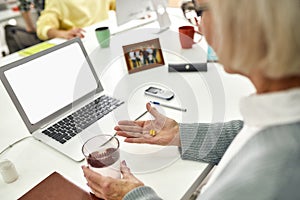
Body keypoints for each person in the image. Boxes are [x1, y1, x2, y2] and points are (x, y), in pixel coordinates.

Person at [82, 0, 300, 199]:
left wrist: (132, 196)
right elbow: (248, 133)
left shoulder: (272, 171)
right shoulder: (283, 117)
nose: (198, 28)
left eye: (199, 11)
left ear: (245, 20)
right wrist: (180, 134)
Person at [36, 0, 115, 40]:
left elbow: (116, 4)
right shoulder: (56, 1)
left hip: (108, 36)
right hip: (83, 41)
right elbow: (43, 27)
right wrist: (62, 33)